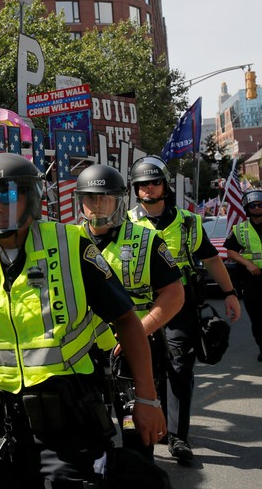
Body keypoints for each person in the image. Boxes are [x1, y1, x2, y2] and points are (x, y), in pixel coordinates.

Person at [0, 153, 165, 488]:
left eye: (8, 194)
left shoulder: (71, 245)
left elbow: (126, 321)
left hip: (70, 424)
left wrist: (147, 398)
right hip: (2, 429)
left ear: (31, 198)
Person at [127, 155, 241, 465]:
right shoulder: (124, 223)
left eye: (155, 182)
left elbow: (212, 259)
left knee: (179, 367)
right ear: (135, 189)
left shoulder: (188, 222)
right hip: (139, 309)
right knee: (145, 369)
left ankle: (178, 437)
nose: (149, 188)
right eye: (142, 184)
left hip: (181, 306)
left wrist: (230, 293)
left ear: (165, 186)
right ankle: (150, 429)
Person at [75, 164, 184, 460]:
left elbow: (174, 295)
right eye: (91, 198)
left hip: (133, 353)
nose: (97, 206)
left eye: (105, 199)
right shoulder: (67, 243)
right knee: (87, 437)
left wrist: (140, 330)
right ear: (80, 201)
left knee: (135, 435)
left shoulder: (147, 240)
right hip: (86, 355)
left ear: (119, 200)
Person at [225, 188, 262, 361]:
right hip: (252, 280)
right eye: (253, 205)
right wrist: (248, 264)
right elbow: (231, 252)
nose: (256, 208)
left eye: (260, 204)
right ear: (247, 207)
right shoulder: (240, 229)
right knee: (257, 318)